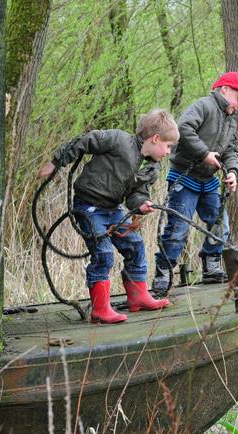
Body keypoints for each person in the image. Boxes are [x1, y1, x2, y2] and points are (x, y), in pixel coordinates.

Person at [37, 109, 179, 323]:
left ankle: (138, 297)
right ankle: (100, 309)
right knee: (103, 254)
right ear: (155, 138)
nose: (168, 152)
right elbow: (87, 140)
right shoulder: (118, 141)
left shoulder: (152, 167)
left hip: (113, 210)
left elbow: (137, 194)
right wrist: (57, 161)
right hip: (88, 207)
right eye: (168, 146)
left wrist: (141, 205)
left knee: (135, 245)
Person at [153, 72, 238, 293]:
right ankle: (163, 272)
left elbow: (232, 150)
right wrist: (204, 154)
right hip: (184, 177)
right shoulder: (203, 106)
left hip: (209, 180)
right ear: (225, 90)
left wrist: (232, 171)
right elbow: (183, 129)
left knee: (220, 226)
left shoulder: (231, 121)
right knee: (178, 229)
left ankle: (211, 264)